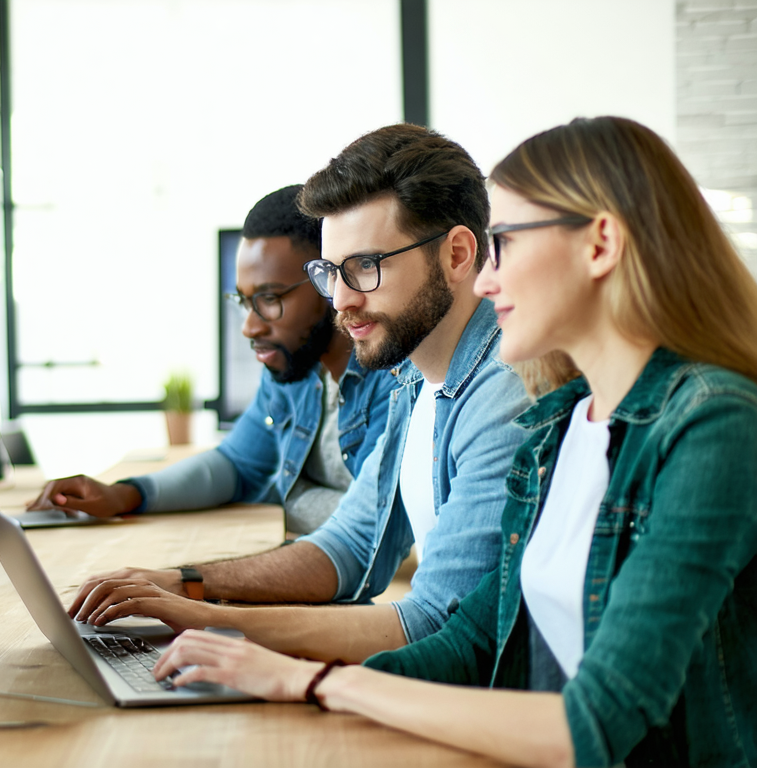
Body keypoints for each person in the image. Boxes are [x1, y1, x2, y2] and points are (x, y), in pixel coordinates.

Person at [152, 116, 757, 767]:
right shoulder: (561, 424)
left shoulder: (714, 424)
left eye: (507, 244)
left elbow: (596, 722)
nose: (489, 281)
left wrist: (314, 681)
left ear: (600, 244)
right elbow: (469, 642)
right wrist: (266, 665)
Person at [71, 124, 532, 664]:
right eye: (331, 272)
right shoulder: (415, 376)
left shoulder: (501, 396)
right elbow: (350, 545)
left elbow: (433, 625)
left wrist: (216, 623)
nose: (341, 300)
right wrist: (184, 585)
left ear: (457, 255)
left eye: (365, 266)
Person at [28, 185, 398, 537]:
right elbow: (236, 465)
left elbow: (376, 520)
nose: (249, 327)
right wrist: (125, 495)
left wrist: (285, 496)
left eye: (270, 299)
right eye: (244, 301)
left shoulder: (395, 380)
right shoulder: (296, 369)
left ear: (328, 281)